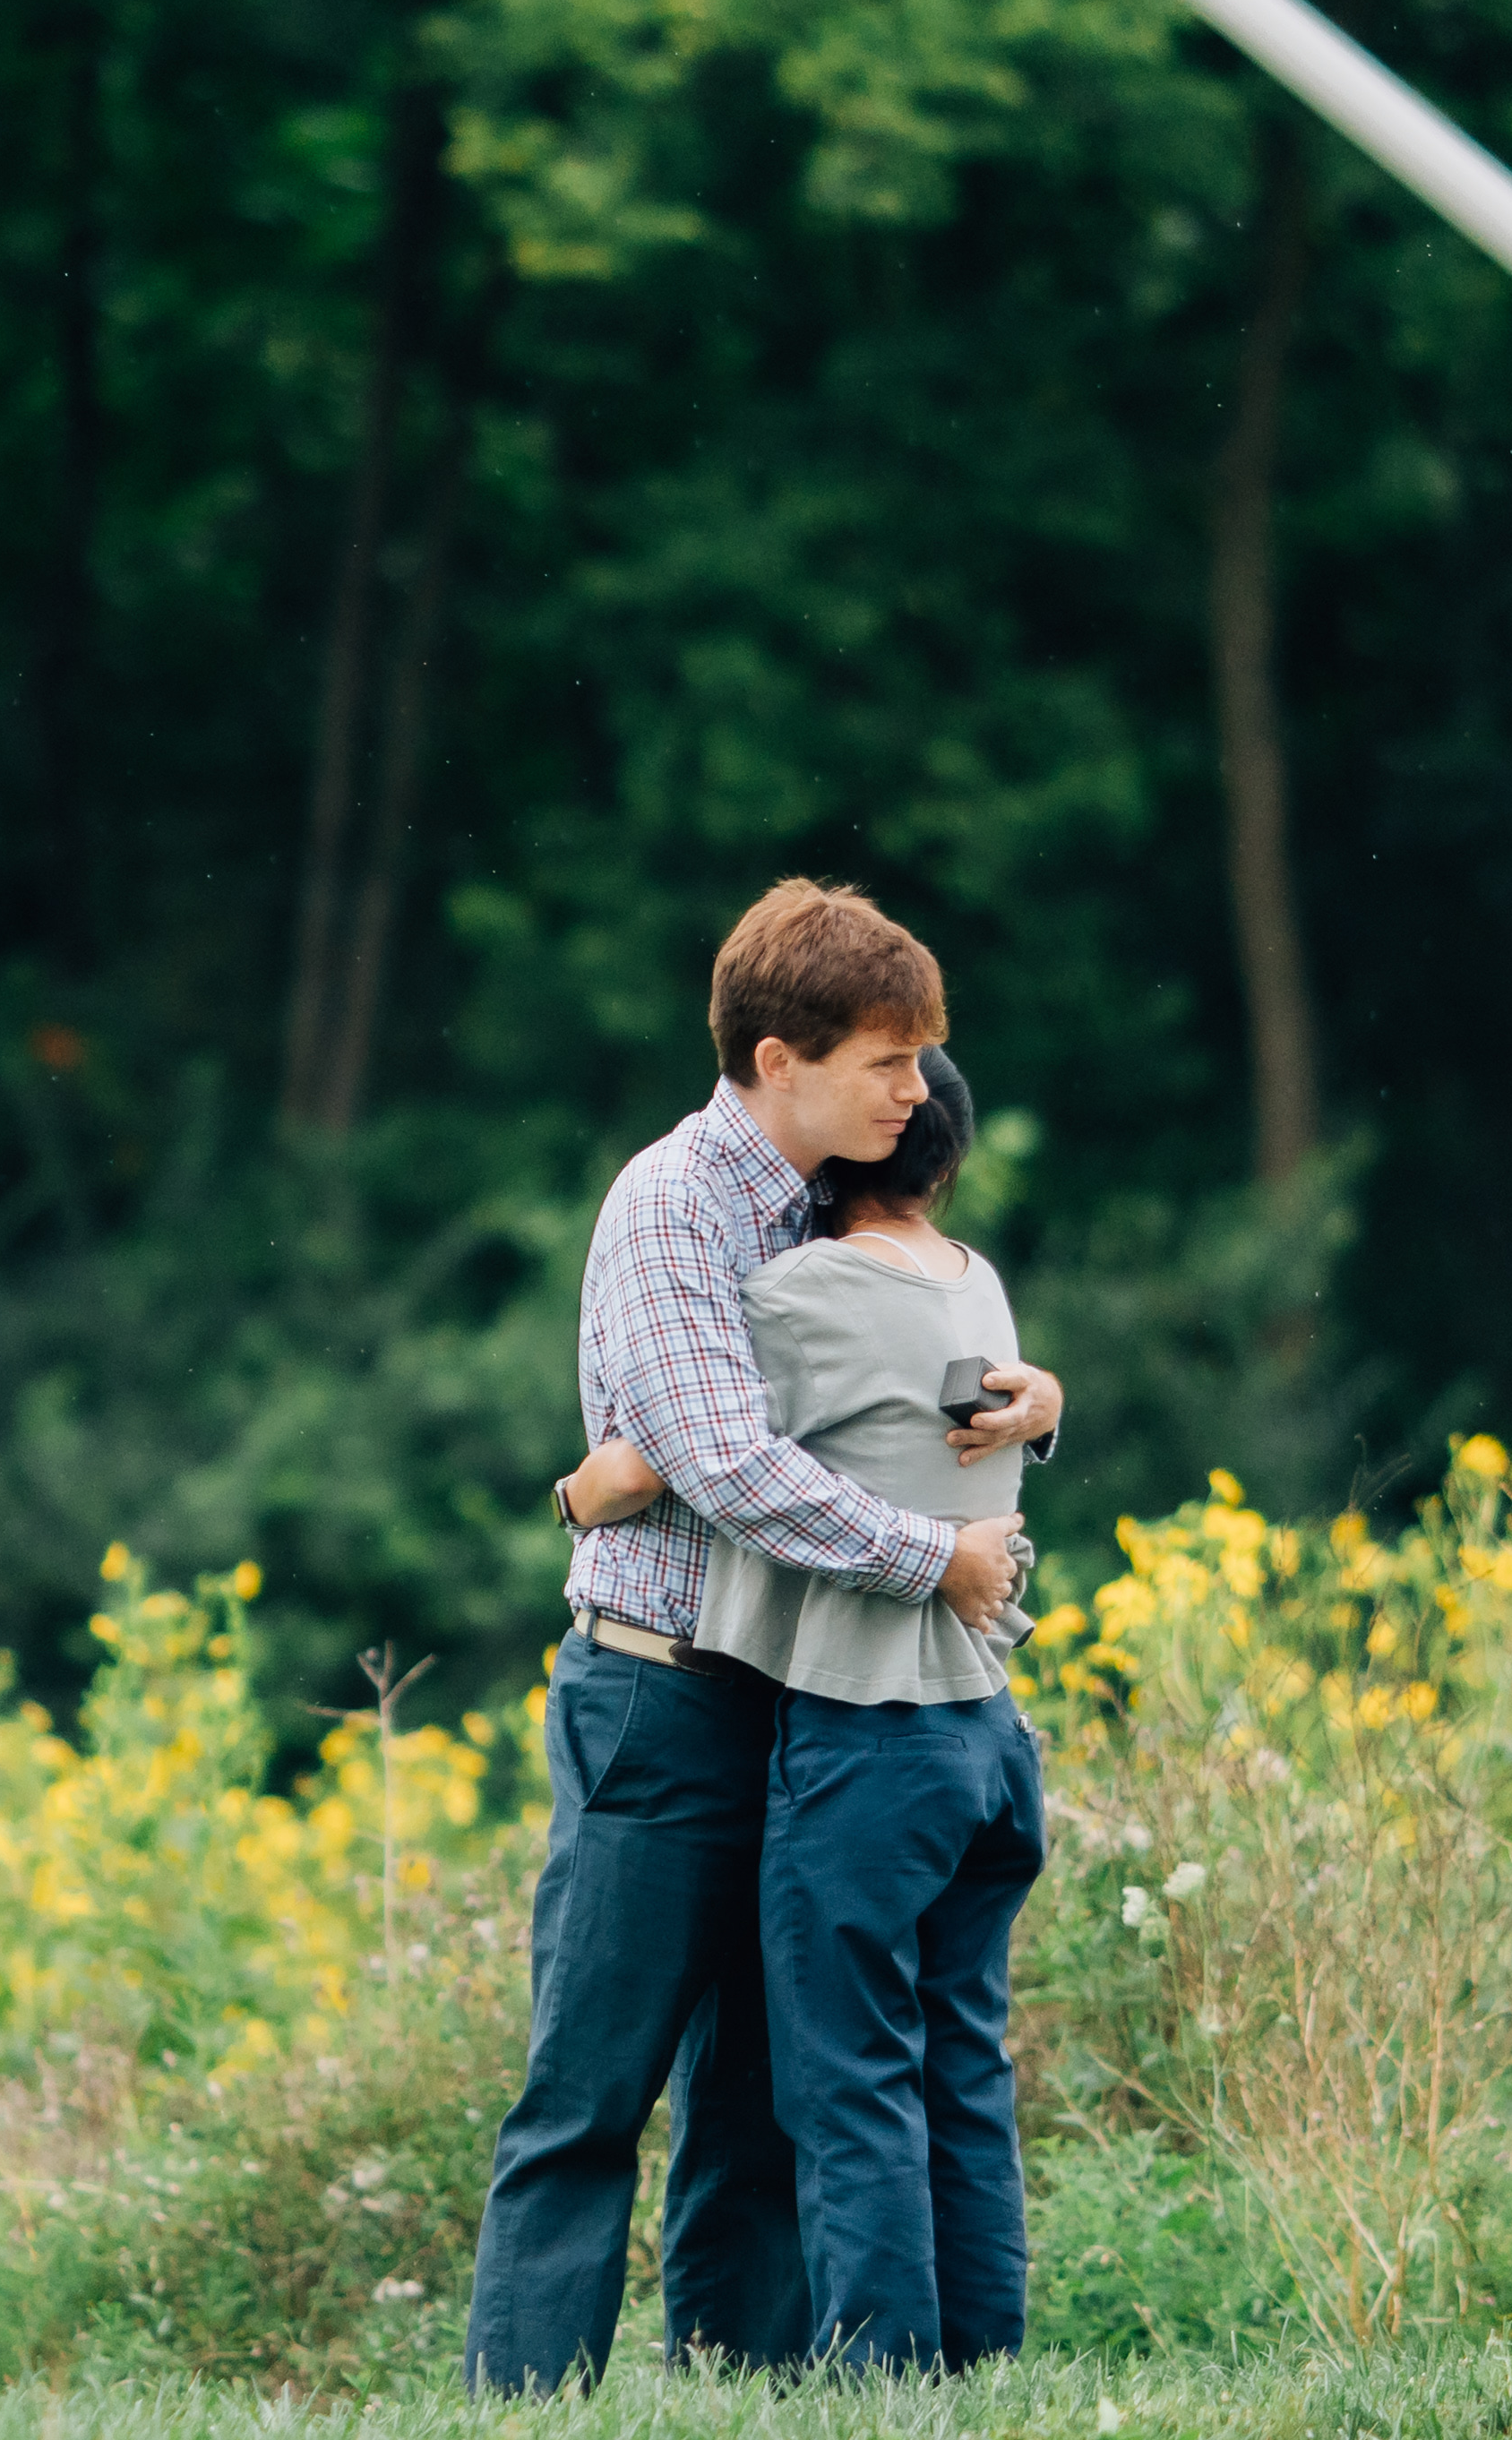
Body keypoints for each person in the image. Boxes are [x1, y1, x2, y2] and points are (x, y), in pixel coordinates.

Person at [460, 881, 1061, 2395]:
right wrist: (932, 1558)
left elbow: (886, 1391)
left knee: (756, 2098)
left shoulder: (829, 1204)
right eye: (887, 1059)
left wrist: (1037, 1407)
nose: (917, 1090)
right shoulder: (672, 1204)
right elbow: (726, 1459)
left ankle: (738, 2392)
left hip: (802, 1704)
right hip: (658, 1698)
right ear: (779, 1059)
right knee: (591, 2087)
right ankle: (523, 2407)